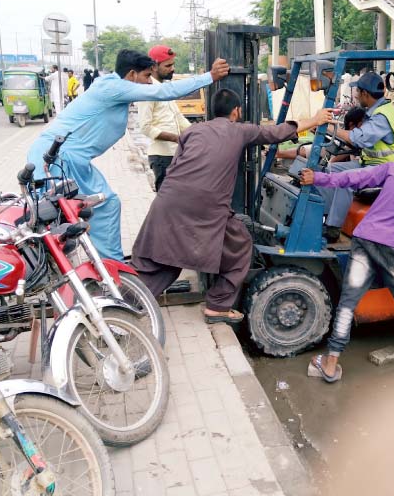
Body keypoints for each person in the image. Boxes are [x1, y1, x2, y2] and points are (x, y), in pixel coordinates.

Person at [131, 89, 333, 324]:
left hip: (168, 200)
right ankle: (218, 305)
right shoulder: (240, 131)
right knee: (241, 245)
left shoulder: (192, 131)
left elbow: (177, 166)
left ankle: (128, 303)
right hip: (207, 207)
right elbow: (278, 132)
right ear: (236, 111)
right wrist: (317, 120)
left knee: (164, 258)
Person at [27, 49, 230, 261]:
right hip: (58, 156)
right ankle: (106, 267)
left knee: (102, 206)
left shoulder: (112, 87)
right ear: (132, 74)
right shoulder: (114, 87)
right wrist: (210, 77)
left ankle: (106, 264)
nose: (149, 82)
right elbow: (164, 92)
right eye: (146, 76)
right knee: (65, 217)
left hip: (67, 157)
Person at [300, 154, 394, 383]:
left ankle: (331, 363)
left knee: (348, 302)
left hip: (367, 239)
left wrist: (318, 178)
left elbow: (355, 178)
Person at [318, 72, 394, 240]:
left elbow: (358, 138)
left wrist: (329, 128)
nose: (356, 96)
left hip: (387, 172)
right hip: (372, 165)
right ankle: (326, 218)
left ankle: (333, 228)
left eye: (357, 92)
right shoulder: (377, 111)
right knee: (329, 170)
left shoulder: (381, 116)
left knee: (346, 178)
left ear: (365, 94)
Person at [136, 45, 191, 192]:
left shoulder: (164, 88)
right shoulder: (148, 90)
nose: (172, 68)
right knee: (168, 208)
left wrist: (198, 132)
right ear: (154, 67)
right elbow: (145, 127)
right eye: (168, 65)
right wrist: (175, 138)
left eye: (172, 64)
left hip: (175, 155)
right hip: (162, 158)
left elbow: (178, 118)